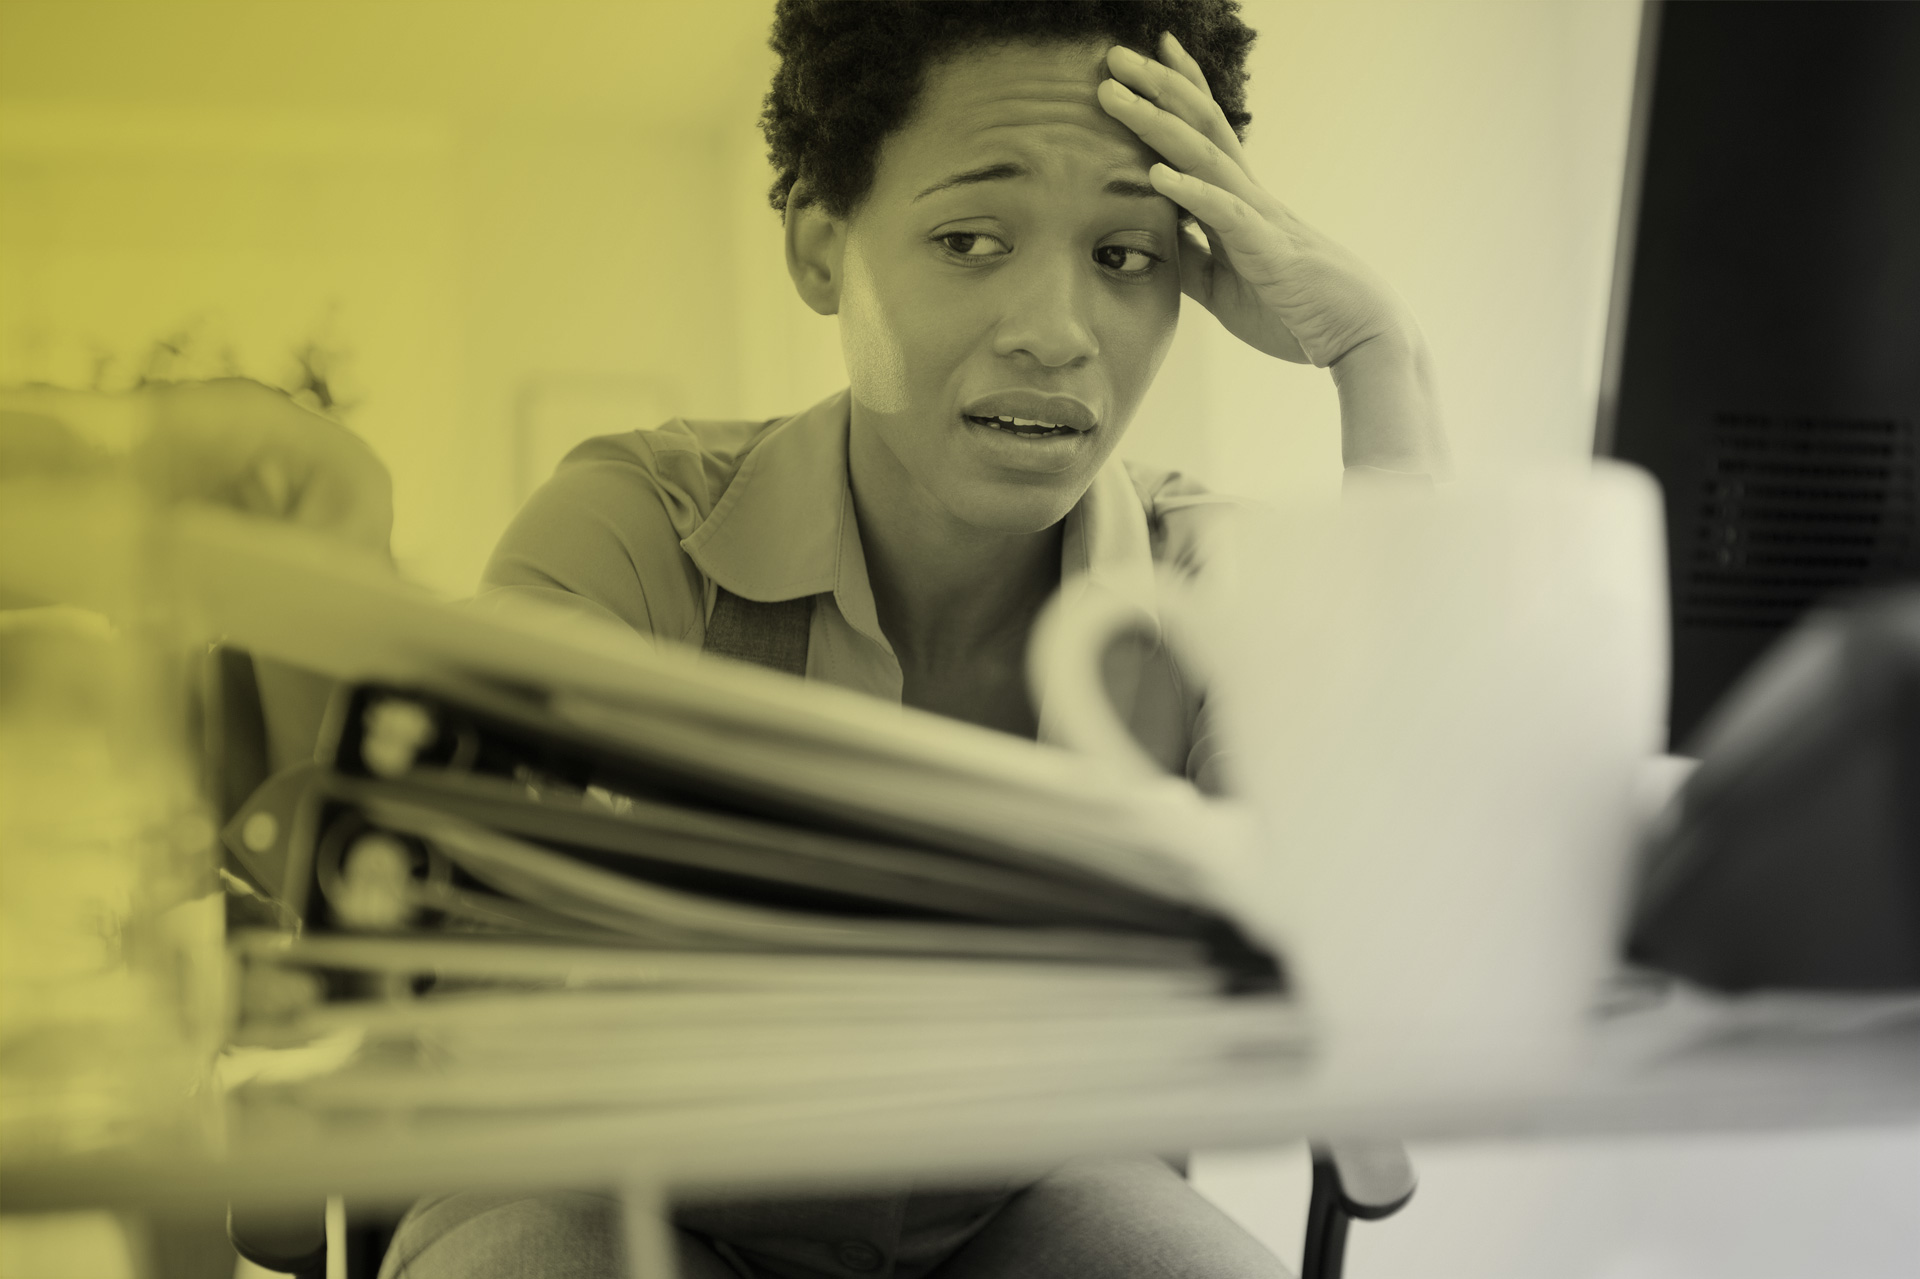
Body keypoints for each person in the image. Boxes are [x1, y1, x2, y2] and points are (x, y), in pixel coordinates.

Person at [380, 3, 1443, 1277]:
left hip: (1025, 1194)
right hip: (616, 1177)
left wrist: (1378, 358)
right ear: (822, 246)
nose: (1056, 330)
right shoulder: (636, 532)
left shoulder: (1202, 582)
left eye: (1125, 257)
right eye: (969, 239)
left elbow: (1394, 938)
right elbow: (429, 948)